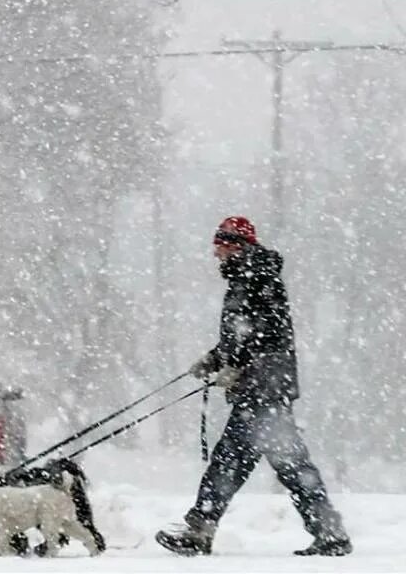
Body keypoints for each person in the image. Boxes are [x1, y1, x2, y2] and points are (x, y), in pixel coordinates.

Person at [155, 216, 351, 557]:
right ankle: (329, 532)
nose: (216, 255)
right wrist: (216, 360)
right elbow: (242, 337)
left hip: (263, 388)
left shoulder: (256, 275)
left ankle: (200, 529)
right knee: (286, 464)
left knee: (234, 461)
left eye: (220, 247)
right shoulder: (247, 277)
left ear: (236, 245)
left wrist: (239, 366)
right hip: (264, 386)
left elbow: (266, 334)